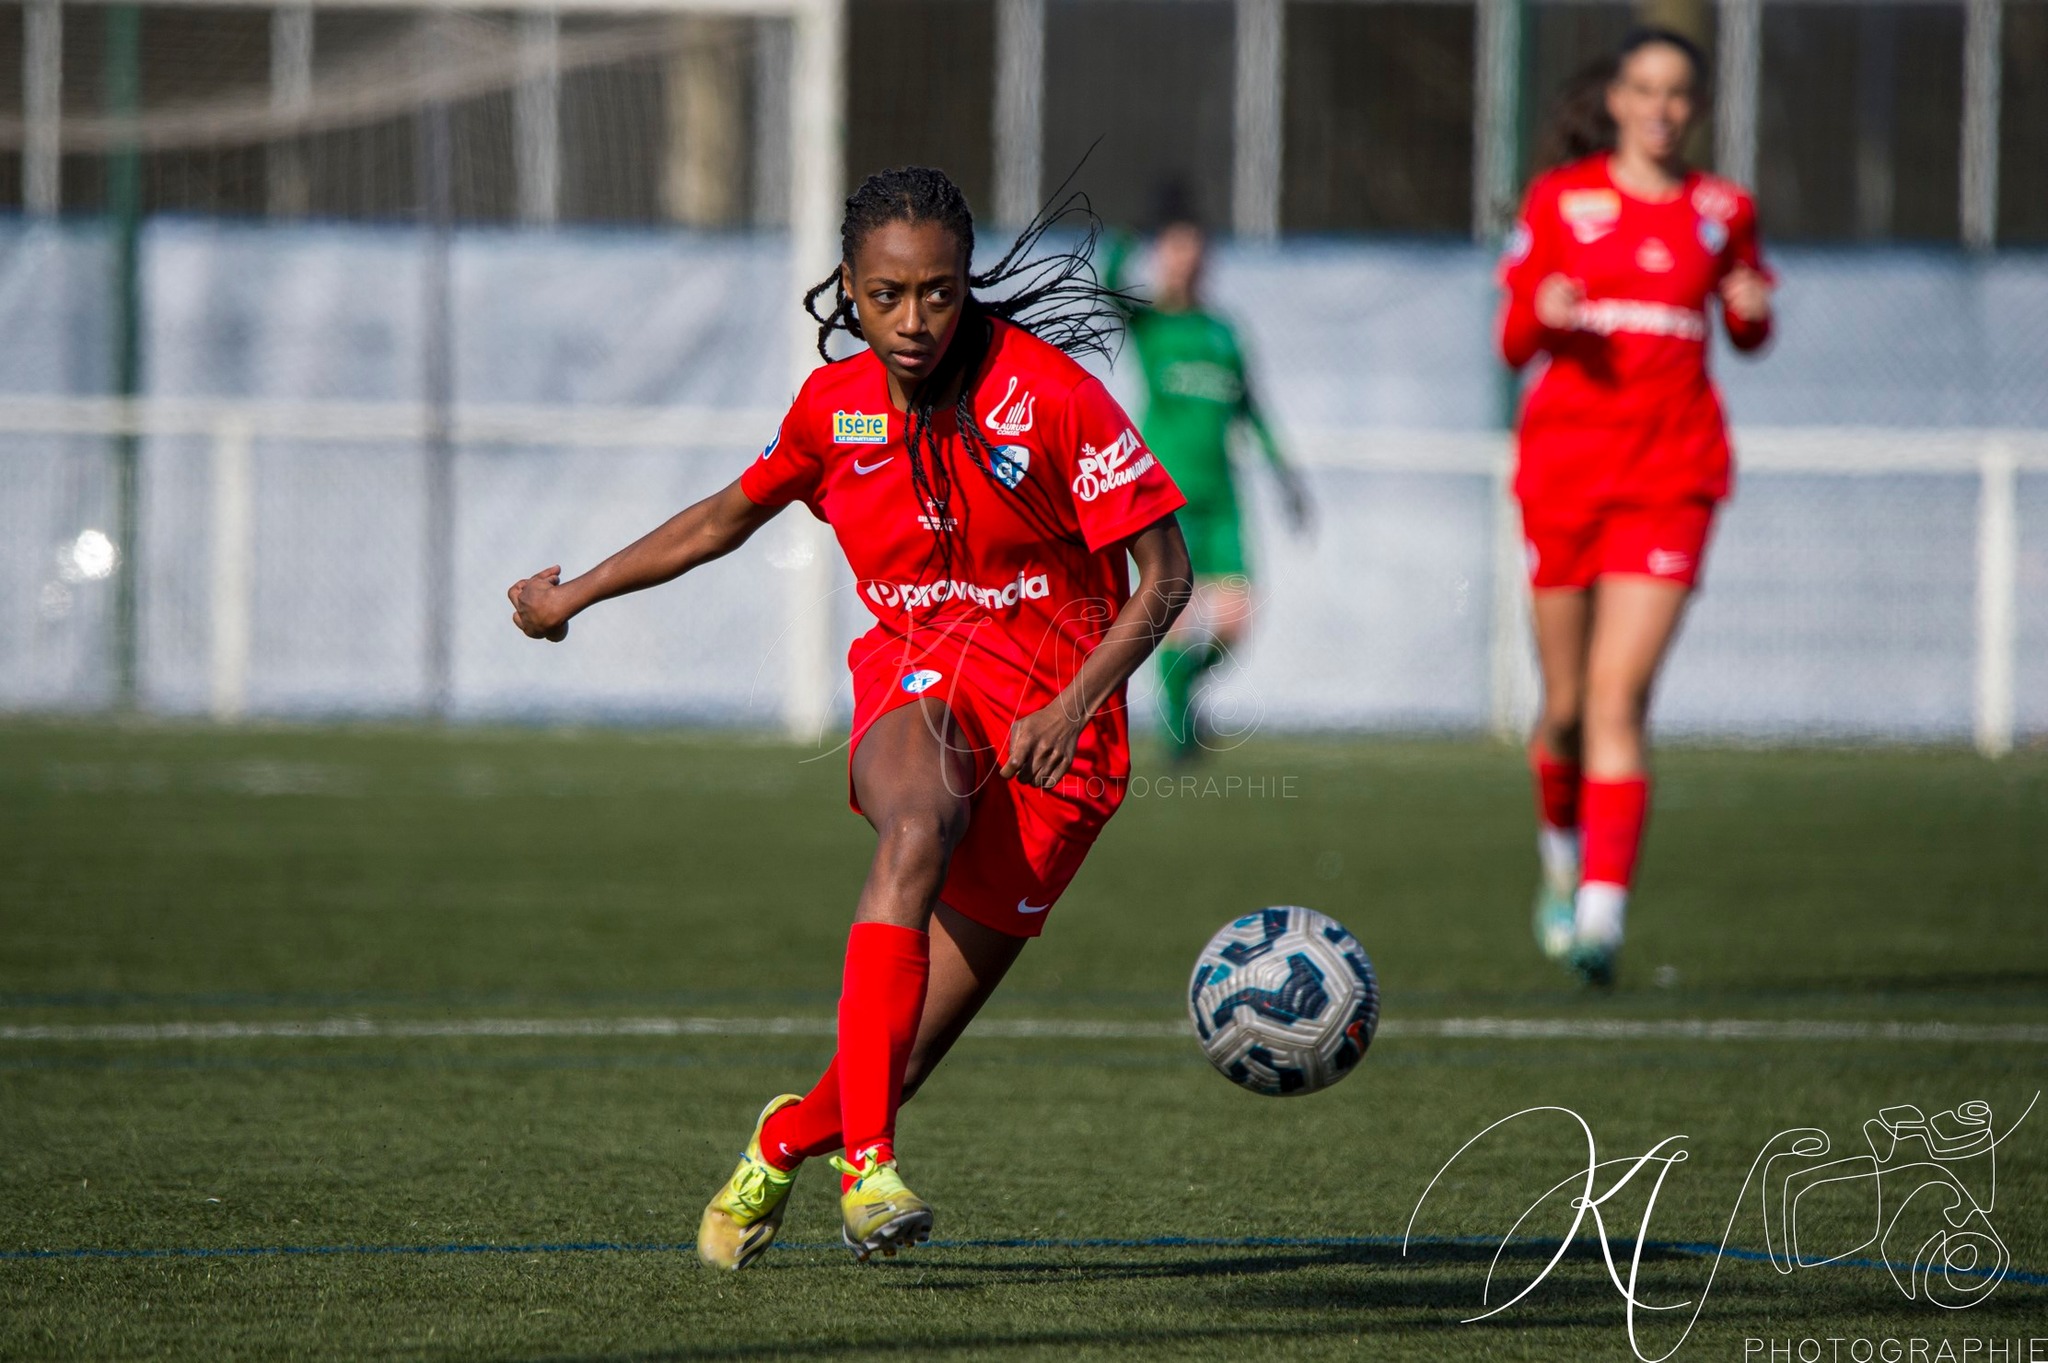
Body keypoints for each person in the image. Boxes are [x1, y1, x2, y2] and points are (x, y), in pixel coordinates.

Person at [507, 167, 1191, 1267]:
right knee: (916, 820)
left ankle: (785, 1139)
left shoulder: (1048, 395)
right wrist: (573, 593)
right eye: (885, 296)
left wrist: (1076, 701)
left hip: (1057, 738)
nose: (912, 321)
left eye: (935, 292)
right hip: (917, 680)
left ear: (965, 284)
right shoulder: (835, 409)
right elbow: (727, 515)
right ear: (848, 288)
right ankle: (867, 1167)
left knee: (896, 1055)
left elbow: (1163, 575)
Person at [1498, 28, 1775, 987]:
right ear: (1614, 99)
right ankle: (1560, 865)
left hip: (1673, 479)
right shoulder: (1559, 202)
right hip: (1566, 473)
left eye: (1677, 94)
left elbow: (1750, 327)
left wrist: (1747, 306)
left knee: (1620, 698)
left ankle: (1602, 922)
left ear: (1694, 111)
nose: (1661, 108)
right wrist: (1549, 312)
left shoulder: (1722, 209)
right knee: (1567, 710)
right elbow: (1512, 338)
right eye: (1644, 89)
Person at [1104, 191, 1309, 762]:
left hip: (1222, 497)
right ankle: (1178, 740)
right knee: (1174, 614)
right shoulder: (1149, 325)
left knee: (1238, 620)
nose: (1185, 260)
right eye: (1174, 250)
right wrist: (1130, 233)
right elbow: (1106, 286)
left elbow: (1253, 410)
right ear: (1164, 256)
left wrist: (1286, 477)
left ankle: (1183, 697)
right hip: (1164, 495)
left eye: (1194, 250)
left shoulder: (1224, 332)